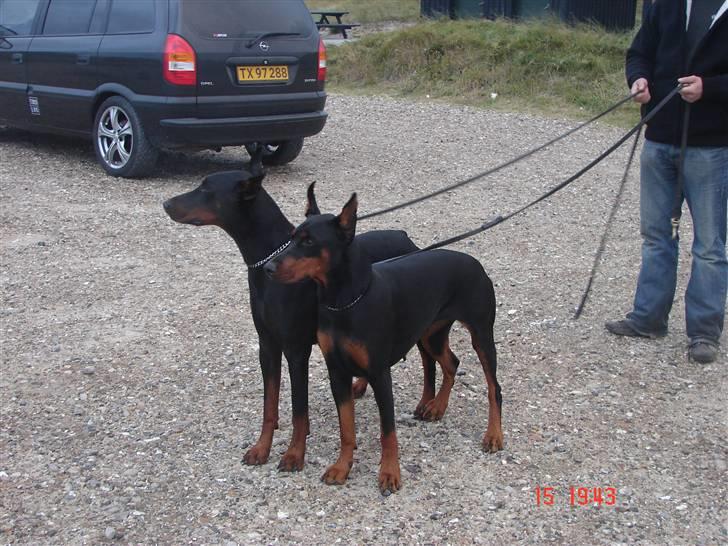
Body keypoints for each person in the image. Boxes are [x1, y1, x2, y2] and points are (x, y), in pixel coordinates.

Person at [605, 0, 728, 364]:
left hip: (712, 146)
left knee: (709, 245)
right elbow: (639, 52)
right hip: (659, 138)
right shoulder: (667, 5)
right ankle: (648, 318)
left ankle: (704, 332)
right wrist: (638, 79)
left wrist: (711, 88)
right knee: (657, 235)